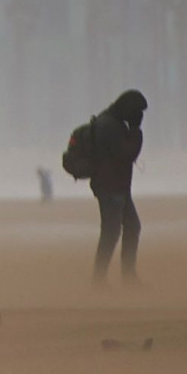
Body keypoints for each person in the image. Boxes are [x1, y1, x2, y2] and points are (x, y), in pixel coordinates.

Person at [65, 90, 148, 284]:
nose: (138, 116)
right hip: (111, 188)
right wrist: (136, 131)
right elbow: (127, 153)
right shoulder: (109, 126)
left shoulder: (111, 122)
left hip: (116, 186)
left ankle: (126, 276)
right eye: (137, 112)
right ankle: (100, 278)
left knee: (131, 227)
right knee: (111, 232)